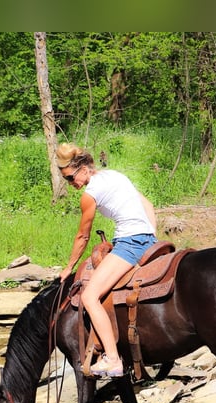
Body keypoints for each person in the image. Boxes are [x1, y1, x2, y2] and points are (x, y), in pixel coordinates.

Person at [57, 142, 158, 378]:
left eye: (71, 178)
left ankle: (112, 359)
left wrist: (69, 267)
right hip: (147, 238)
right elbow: (148, 205)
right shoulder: (115, 176)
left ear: (82, 168)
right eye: (66, 181)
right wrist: (151, 236)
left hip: (129, 242)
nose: (71, 185)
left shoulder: (90, 194)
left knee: (90, 297)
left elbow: (83, 236)